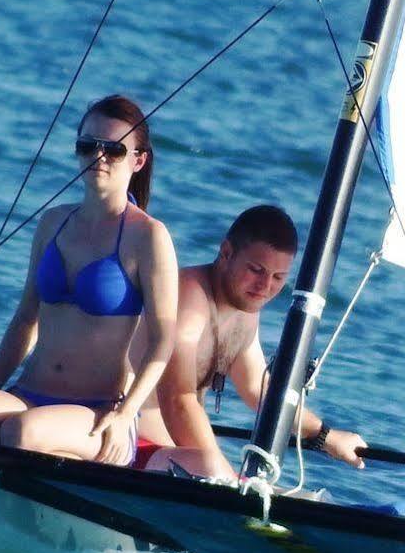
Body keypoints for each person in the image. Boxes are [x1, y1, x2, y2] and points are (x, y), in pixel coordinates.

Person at [0, 95, 178, 467]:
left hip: (98, 412)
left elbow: (163, 340)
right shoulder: (53, 223)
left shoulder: (148, 236)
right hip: (30, 392)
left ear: (139, 160)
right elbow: (26, 319)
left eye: (114, 150)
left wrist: (124, 415)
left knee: (22, 432)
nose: (98, 158)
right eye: (88, 146)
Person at [141, 204, 367, 479]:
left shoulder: (245, 312)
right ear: (226, 253)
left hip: (175, 458)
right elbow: (178, 399)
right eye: (256, 270)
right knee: (220, 472)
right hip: (131, 449)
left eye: (278, 277)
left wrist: (324, 435)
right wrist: (230, 482)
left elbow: (259, 392)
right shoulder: (189, 298)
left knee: (307, 499)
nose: (265, 287)